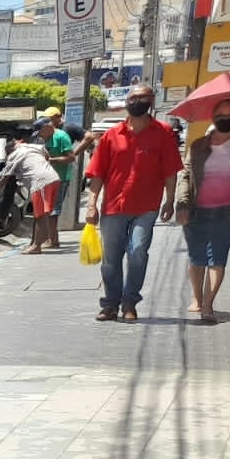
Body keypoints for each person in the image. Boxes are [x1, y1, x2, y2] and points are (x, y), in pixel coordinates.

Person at [84, 83, 182, 321]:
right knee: (111, 258)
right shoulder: (111, 135)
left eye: (142, 98)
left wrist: (170, 201)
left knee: (137, 251)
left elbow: (170, 171)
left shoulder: (164, 133)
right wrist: (91, 204)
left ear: (151, 102)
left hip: (146, 206)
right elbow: (98, 173)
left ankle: (130, 302)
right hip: (114, 205)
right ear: (127, 101)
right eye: (133, 98)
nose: (137, 102)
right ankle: (110, 304)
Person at [178, 97, 230, 324]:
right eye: (221, 115)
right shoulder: (198, 146)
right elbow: (186, 175)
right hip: (196, 210)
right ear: (213, 117)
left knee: (217, 256)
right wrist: (182, 204)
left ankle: (208, 305)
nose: (226, 119)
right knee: (197, 257)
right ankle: (197, 297)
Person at [2, 126, 62, 254]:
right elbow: (46, 154)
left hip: (41, 182)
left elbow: (4, 178)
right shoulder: (33, 147)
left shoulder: (14, 155)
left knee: (40, 215)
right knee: (43, 213)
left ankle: (36, 246)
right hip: (53, 178)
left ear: (10, 151)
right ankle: (41, 240)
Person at [36, 113, 76, 245]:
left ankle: (53, 239)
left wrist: (51, 160)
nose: (40, 136)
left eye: (40, 132)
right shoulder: (47, 138)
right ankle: (50, 237)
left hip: (61, 178)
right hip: (49, 179)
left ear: (47, 128)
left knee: (54, 210)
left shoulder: (61, 137)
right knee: (48, 209)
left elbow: (71, 157)